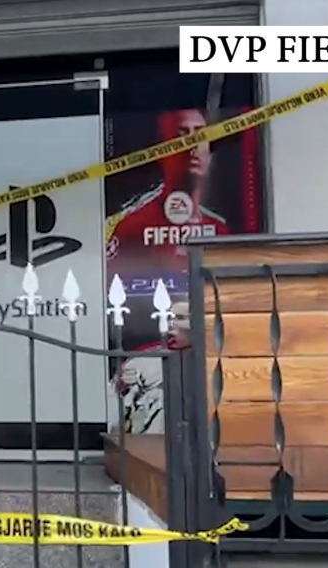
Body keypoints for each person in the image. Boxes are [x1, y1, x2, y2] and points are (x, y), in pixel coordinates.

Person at [105, 109, 230, 277]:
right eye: (181, 135)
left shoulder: (219, 230)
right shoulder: (131, 226)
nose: (192, 144)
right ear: (162, 150)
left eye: (201, 135)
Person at [110, 301, 190, 435]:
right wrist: (122, 384)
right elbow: (112, 394)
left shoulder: (215, 357)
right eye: (170, 318)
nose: (171, 326)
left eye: (180, 319)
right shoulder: (146, 356)